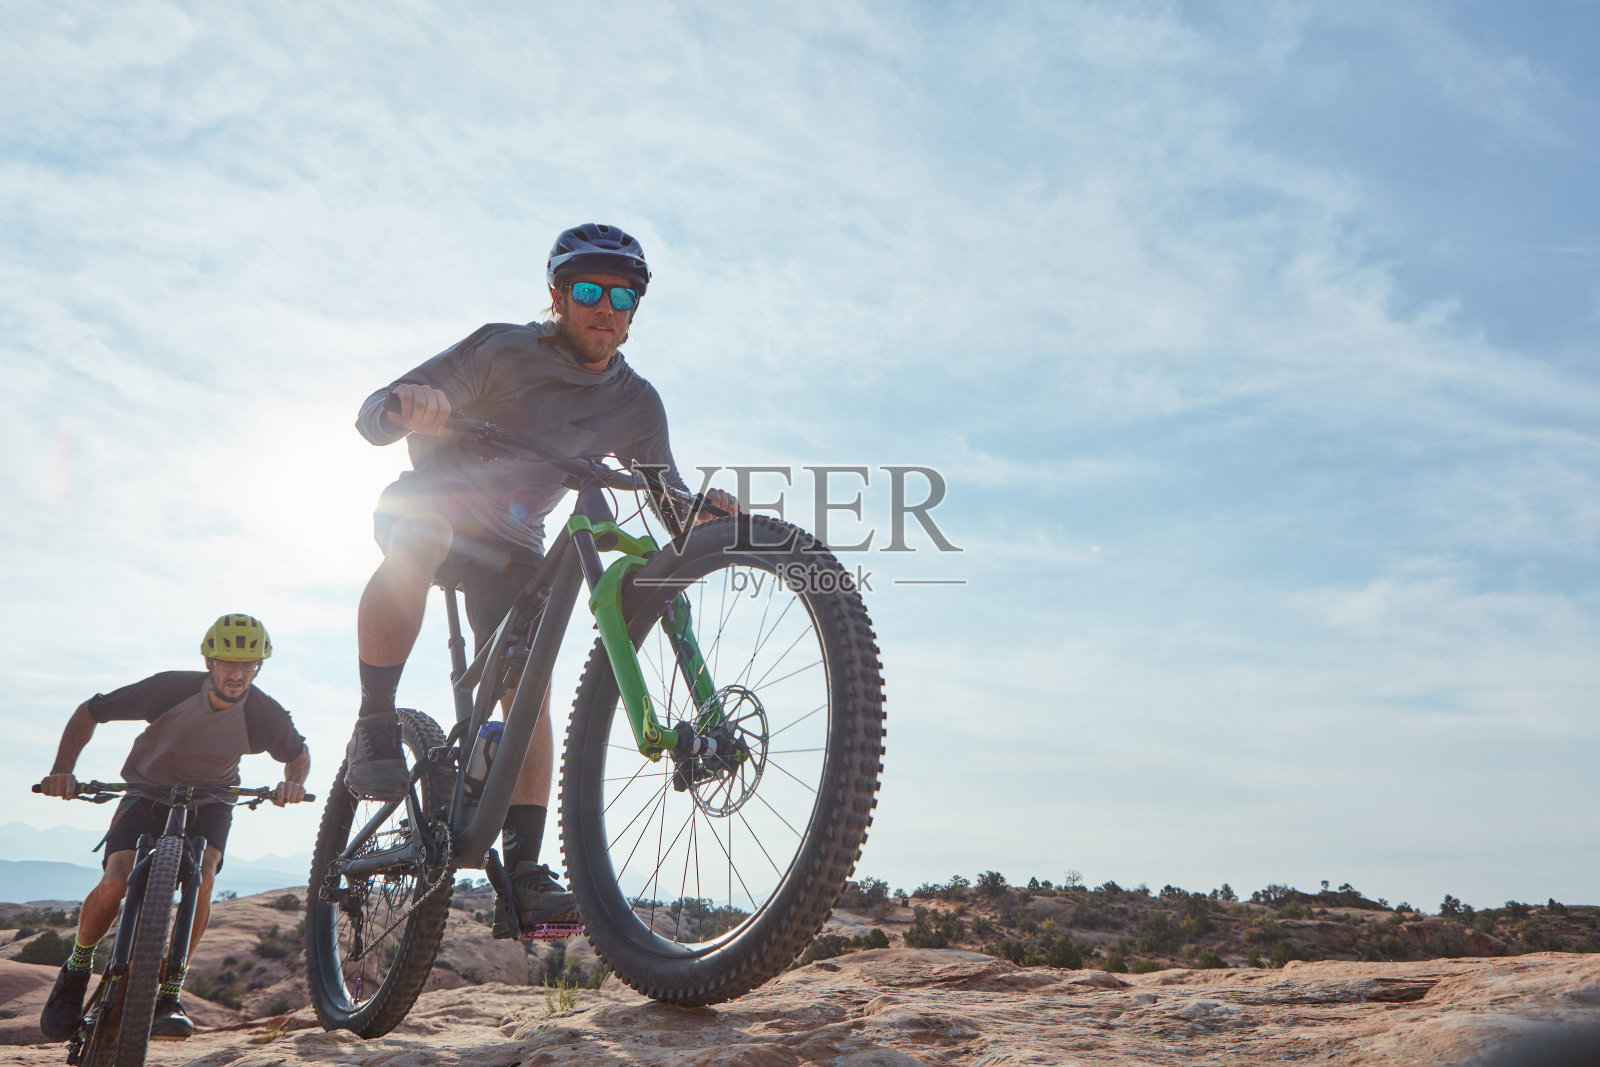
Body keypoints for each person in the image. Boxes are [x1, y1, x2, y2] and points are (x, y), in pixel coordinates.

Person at [345, 222, 737, 937]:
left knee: (529, 688)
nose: (605, 307)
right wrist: (408, 404)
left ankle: (523, 876)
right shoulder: (501, 348)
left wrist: (701, 512)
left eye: (624, 296)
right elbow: (375, 412)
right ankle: (374, 720)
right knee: (425, 529)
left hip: (514, 548)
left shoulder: (636, 403)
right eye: (588, 290)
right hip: (434, 506)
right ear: (556, 295)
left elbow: (668, 499)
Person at [37, 614, 310, 1042]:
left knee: (202, 876)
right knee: (116, 879)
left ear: (259, 667)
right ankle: (76, 968)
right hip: (146, 792)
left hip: (212, 801)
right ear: (208, 662)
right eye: (227, 663)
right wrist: (61, 771)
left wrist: (294, 784)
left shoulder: (262, 712)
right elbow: (89, 712)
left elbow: (297, 754)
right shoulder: (169, 689)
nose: (238, 674)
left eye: (249, 665)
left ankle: (169, 991)